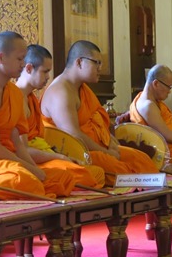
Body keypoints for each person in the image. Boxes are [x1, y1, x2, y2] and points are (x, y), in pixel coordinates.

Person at [0, 31, 75, 200]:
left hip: (6, 158)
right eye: (20, 59)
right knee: (24, 180)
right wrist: (30, 170)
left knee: (64, 178)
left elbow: (17, 144)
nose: (23, 64)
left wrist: (34, 168)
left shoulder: (13, 92)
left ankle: (7, 187)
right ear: (1, 58)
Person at [41, 40, 159, 186]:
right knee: (124, 171)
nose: (100, 68)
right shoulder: (61, 92)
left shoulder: (81, 88)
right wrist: (106, 152)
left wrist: (110, 141)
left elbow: (97, 121)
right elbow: (73, 136)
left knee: (141, 159)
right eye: (96, 63)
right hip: (77, 152)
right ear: (79, 62)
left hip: (97, 147)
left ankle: (152, 205)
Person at [15, 44, 105, 189]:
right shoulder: (15, 98)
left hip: (43, 154)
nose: (48, 77)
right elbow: (22, 150)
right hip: (29, 160)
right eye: (45, 72)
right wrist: (60, 157)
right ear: (29, 69)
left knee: (95, 173)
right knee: (88, 174)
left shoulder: (30, 98)